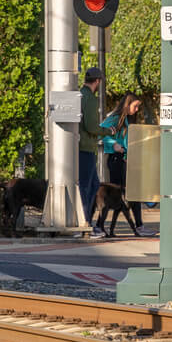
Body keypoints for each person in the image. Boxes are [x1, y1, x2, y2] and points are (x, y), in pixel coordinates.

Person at [100, 93, 154, 237]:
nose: (137, 109)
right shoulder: (115, 118)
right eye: (135, 106)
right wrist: (114, 144)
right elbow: (101, 132)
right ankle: (104, 226)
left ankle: (138, 226)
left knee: (132, 192)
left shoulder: (129, 120)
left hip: (126, 159)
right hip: (117, 159)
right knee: (117, 195)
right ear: (127, 104)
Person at [78, 66, 105, 236]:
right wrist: (109, 131)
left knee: (93, 184)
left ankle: (87, 221)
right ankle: (85, 222)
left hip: (77, 146)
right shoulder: (91, 99)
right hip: (86, 147)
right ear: (97, 81)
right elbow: (92, 127)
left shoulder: (79, 94)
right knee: (87, 187)